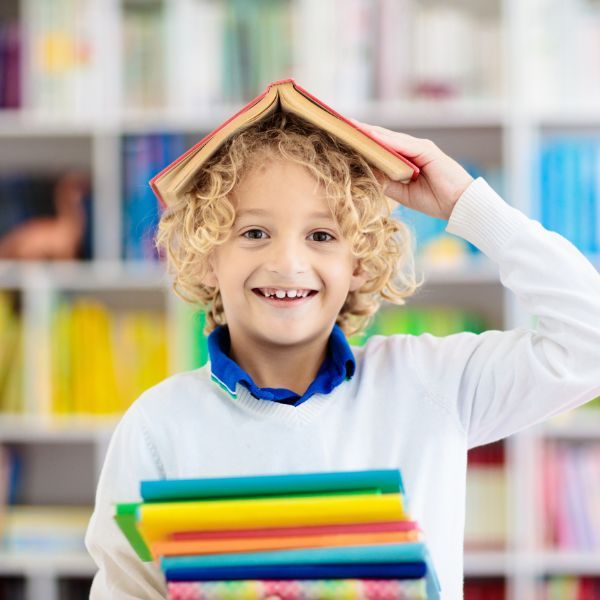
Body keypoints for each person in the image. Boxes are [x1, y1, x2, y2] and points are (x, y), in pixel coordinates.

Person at [85, 111, 600, 599]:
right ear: (205, 258)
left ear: (359, 263)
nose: (288, 262)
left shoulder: (431, 383)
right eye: (254, 233)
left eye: (322, 235)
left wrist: (465, 204)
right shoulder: (159, 423)